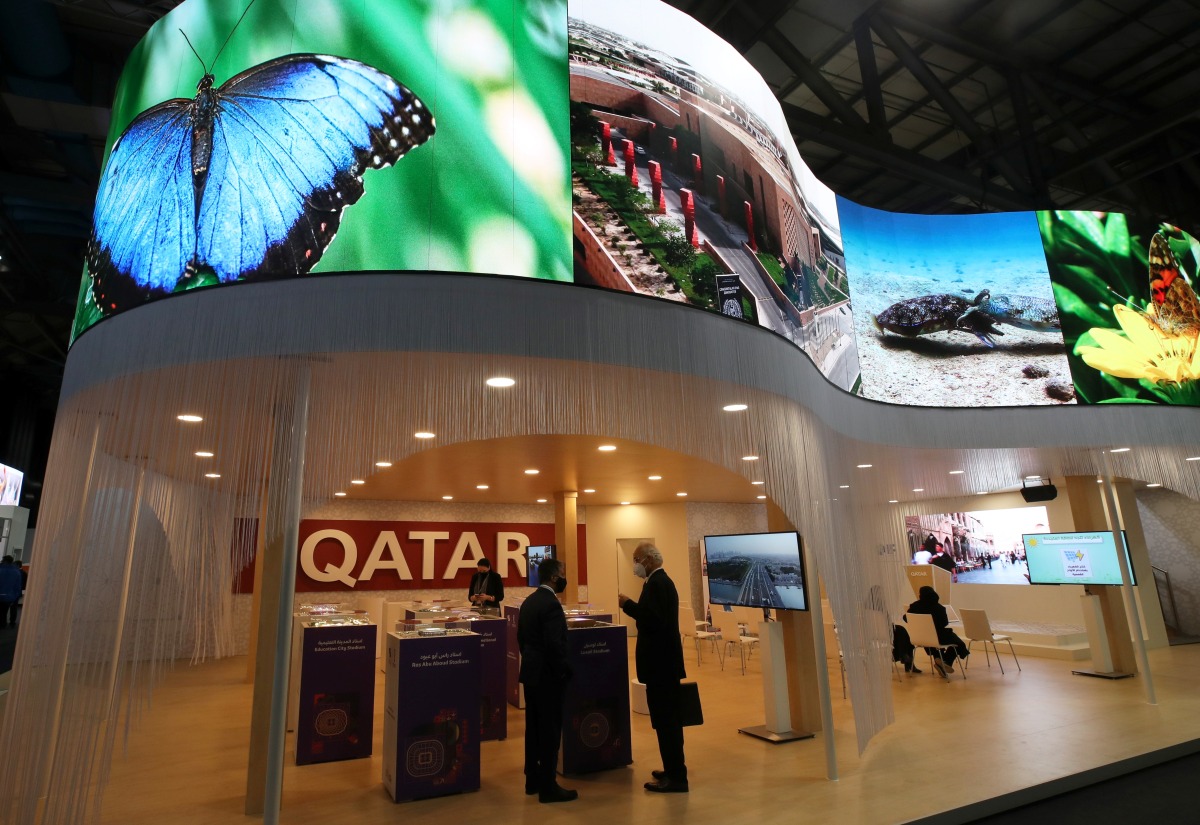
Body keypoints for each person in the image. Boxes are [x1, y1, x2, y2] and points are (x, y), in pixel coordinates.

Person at [618, 543, 688, 794]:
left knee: (667, 721)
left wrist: (627, 604)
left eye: (636, 559)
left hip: (662, 665)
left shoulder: (659, 583)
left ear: (648, 560)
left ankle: (677, 777)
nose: (634, 564)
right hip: (661, 664)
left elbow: (653, 620)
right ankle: (671, 769)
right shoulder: (655, 582)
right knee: (664, 720)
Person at [517, 558, 577, 804]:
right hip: (549, 677)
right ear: (554, 577)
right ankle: (549, 787)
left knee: (533, 728)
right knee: (550, 731)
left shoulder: (529, 602)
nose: (564, 577)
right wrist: (564, 670)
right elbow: (555, 645)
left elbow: (522, 639)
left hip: (531, 673)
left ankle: (532, 779)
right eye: (562, 573)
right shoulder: (551, 604)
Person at [905, 585, 968, 677]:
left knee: (936, 641)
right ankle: (945, 662)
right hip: (937, 637)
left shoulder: (914, 606)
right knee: (960, 644)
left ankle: (940, 660)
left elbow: (906, 618)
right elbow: (944, 623)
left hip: (920, 637)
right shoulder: (939, 608)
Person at [0, 556, 22, 627]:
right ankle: (3, 624)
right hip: (9, 596)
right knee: (4, 611)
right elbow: (18, 587)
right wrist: (15, 597)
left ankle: (2, 624)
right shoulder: (16, 572)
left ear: (4, 561)